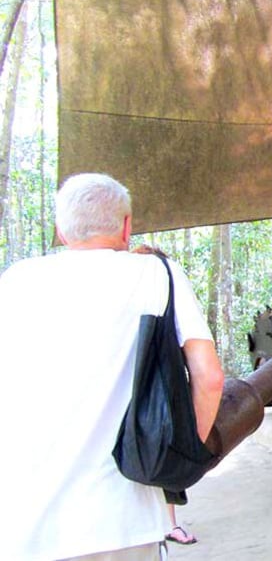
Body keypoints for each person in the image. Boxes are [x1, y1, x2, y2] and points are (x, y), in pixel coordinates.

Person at [1, 173, 225, 560]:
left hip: (23, 518)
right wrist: (182, 458)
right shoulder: (156, 274)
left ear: (60, 230)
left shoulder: (15, 282)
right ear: (126, 226)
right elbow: (209, 377)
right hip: (123, 514)